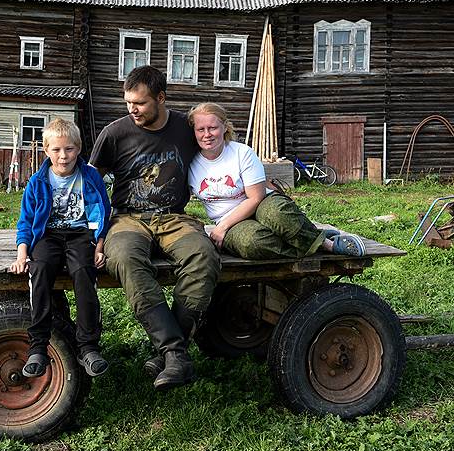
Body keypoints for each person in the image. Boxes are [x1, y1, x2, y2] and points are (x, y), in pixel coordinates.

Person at [90, 66, 220, 390]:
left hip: (174, 217)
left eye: (141, 103)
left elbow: (220, 150)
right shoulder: (114, 133)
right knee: (123, 259)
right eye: (128, 103)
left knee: (204, 257)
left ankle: (167, 354)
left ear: (161, 98)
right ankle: (176, 353)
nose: (132, 109)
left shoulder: (184, 128)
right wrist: (94, 232)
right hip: (127, 219)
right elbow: (89, 185)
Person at [187, 102, 366, 259]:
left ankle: (329, 245)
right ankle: (312, 238)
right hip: (231, 220)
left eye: (213, 128)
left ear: (225, 127)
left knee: (278, 214)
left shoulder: (242, 153)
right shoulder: (190, 162)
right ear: (193, 131)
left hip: (261, 203)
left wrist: (221, 227)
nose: (207, 134)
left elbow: (255, 197)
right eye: (201, 129)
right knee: (252, 243)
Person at [11, 118, 111, 379]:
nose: (63, 156)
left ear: (78, 148)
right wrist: (23, 254)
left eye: (69, 149)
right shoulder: (37, 181)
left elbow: (103, 212)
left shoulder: (90, 177)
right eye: (56, 150)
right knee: (41, 268)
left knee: (83, 270)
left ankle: (88, 346)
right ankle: (38, 346)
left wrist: (99, 245)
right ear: (46, 151)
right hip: (49, 235)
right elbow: (26, 221)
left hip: (80, 234)